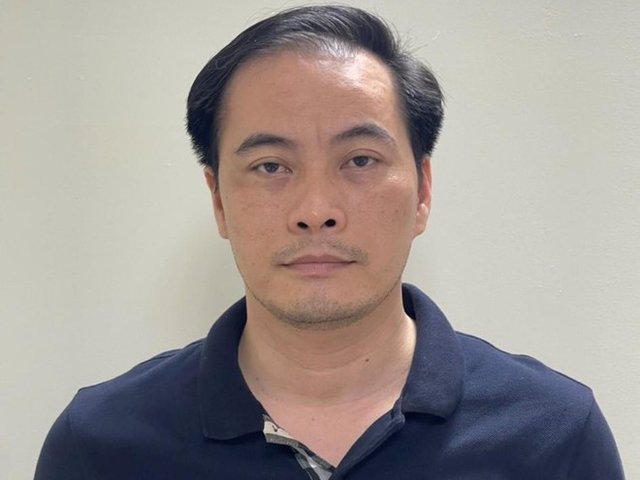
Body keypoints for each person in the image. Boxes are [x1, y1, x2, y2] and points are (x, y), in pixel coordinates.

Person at [35, 5, 624, 479]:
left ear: (422, 189)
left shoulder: (553, 434)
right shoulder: (100, 445)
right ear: (218, 200)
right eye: (270, 166)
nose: (316, 212)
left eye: (360, 160)